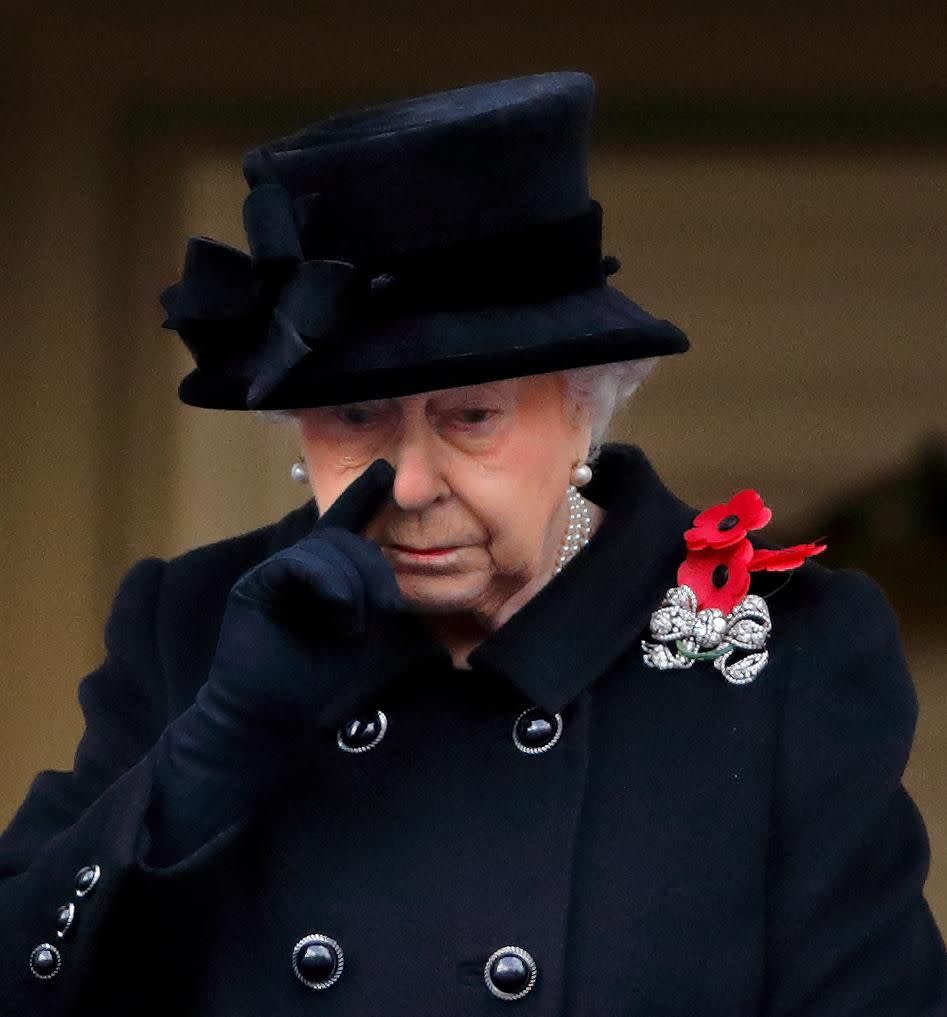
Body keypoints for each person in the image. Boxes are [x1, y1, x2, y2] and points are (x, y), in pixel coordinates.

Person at [1, 71, 944, 1016]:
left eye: (472, 416)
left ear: (587, 407)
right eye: (355, 414)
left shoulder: (789, 652)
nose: (409, 485)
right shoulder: (189, 623)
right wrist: (212, 744)